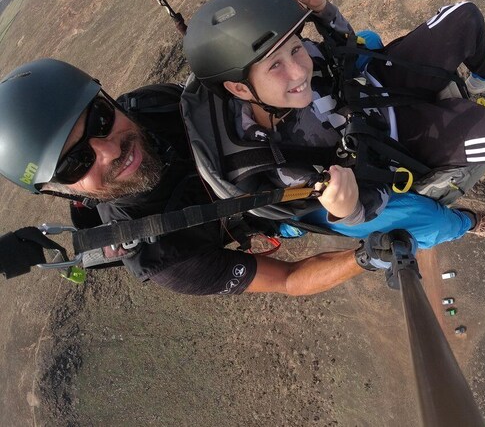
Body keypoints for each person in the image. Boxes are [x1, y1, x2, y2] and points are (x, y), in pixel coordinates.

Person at [180, 0, 485, 247]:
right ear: (240, 88)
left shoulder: (292, 69)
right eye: (276, 66)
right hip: (397, 142)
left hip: (376, 85)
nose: (298, 70)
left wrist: (322, 10)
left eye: (296, 49)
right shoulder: (284, 162)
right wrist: (350, 210)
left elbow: (343, 55)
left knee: (464, 16)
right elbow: (371, 199)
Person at [0, 59, 420, 295]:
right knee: (425, 221)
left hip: (286, 142)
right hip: (282, 204)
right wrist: (365, 256)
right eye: (76, 163)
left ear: (110, 100)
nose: (110, 150)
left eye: (101, 118)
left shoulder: (154, 106)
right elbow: (289, 279)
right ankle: (471, 221)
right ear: (59, 191)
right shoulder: (166, 257)